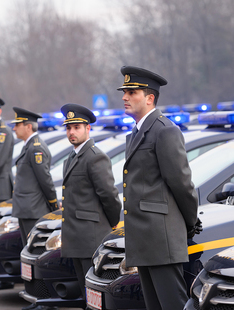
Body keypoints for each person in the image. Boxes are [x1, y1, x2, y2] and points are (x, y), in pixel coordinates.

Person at [118, 66, 200, 310]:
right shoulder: (136, 133)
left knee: (171, 304)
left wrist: (190, 223)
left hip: (161, 238)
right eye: (124, 92)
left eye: (132, 92)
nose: (124, 97)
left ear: (149, 98)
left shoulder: (165, 131)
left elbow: (182, 184)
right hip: (144, 239)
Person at [60, 103, 121, 306]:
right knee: (84, 290)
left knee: (95, 293)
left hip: (90, 235)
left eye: (77, 127)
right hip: (75, 236)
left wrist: (112, 224)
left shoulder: (95, 157)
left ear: (88, 128)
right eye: (69, 128)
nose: (72, 132)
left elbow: (110, 196)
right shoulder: (72, 156)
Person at [11, 107, 58, 246]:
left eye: (17, 125)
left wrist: (53, 203)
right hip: (27, 209)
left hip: (33, 209)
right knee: (27, 247)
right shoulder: (28, 146)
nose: (14, 129)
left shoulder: (36, 148)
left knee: (33, 248)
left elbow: (45, 179)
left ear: (28, 127)